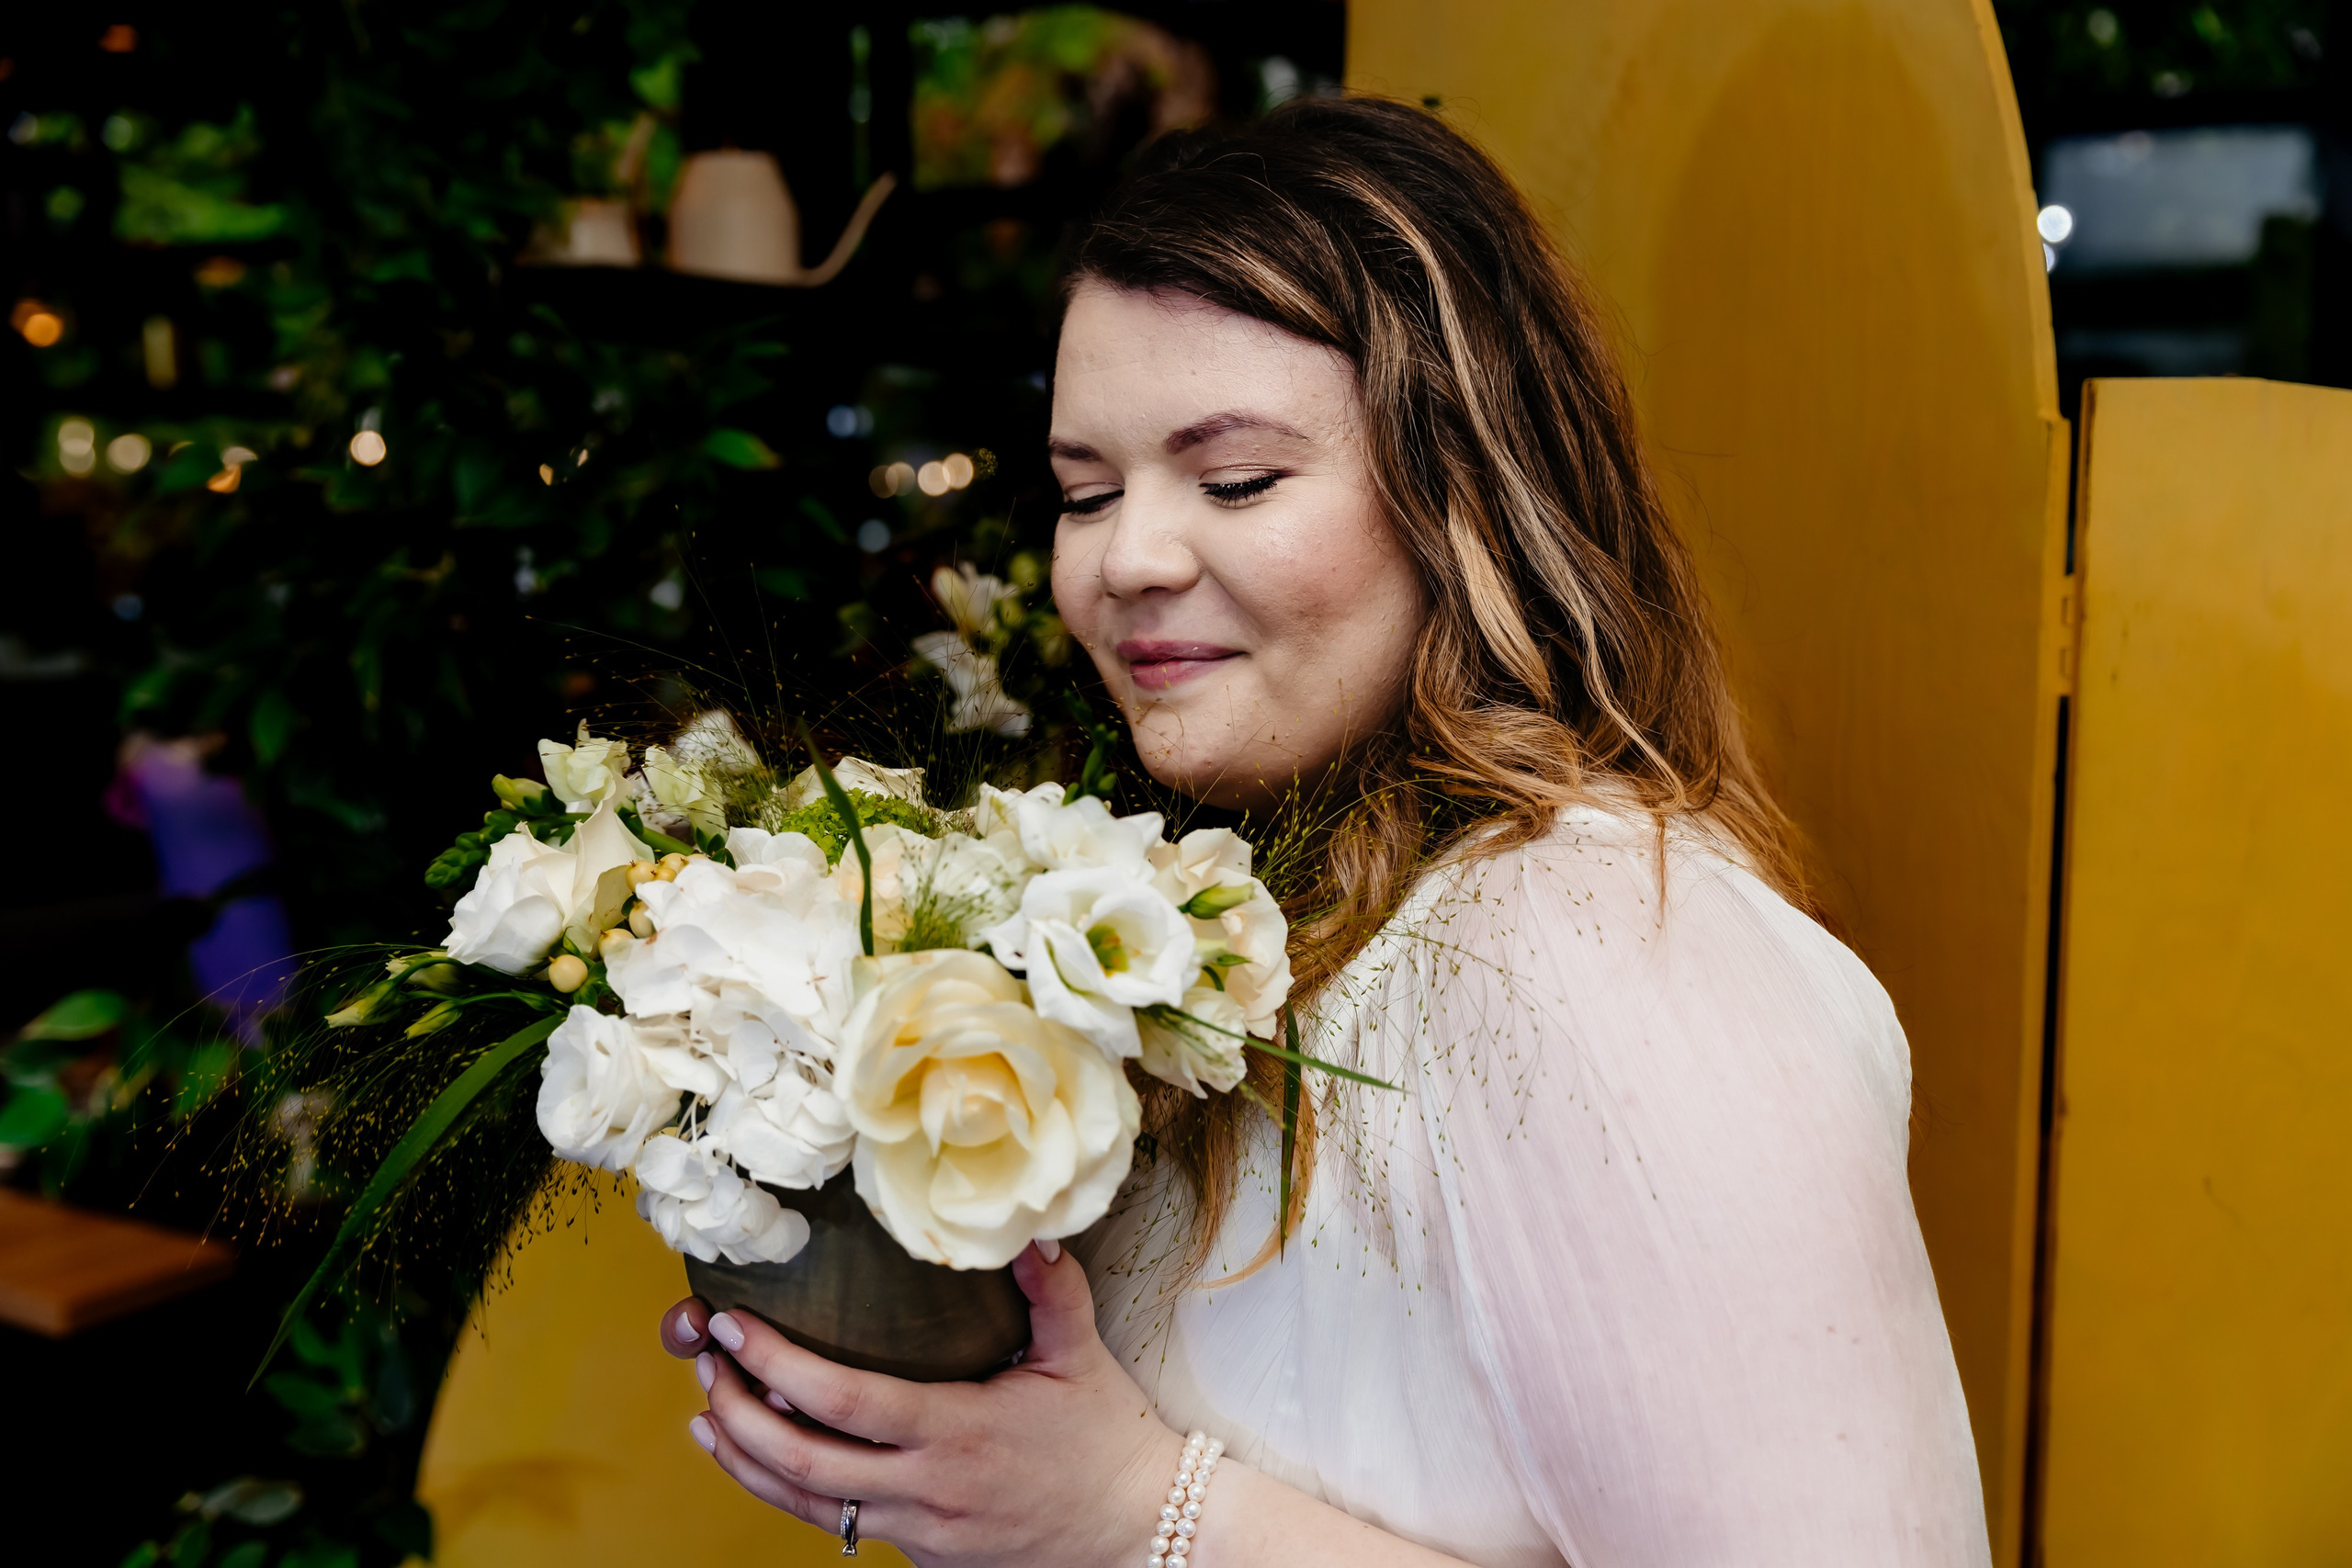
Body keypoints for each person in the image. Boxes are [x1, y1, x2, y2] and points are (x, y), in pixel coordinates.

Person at [658, 97, 1993, 1567]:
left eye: (1235, 480)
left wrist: (1127, 1510)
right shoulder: (1255, 926)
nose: (1127, 562)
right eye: (1086, 492)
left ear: (1461, 491)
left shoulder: (1594, 943)